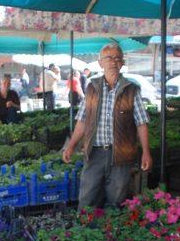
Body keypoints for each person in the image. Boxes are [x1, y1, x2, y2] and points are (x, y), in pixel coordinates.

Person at [62, 43, 152, 209]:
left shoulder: (132, 90)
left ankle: (111, 233)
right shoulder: (91, 88)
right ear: (100, 62)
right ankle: (87, 231)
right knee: (87, 198)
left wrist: (146, 152)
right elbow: (82, 120)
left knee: (116, 200)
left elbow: (141, 123)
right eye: (109, 58)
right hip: (94, 152)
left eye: (118, 58)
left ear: (122, 63)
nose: (113, 62)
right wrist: (71, 146)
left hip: (121, 154)